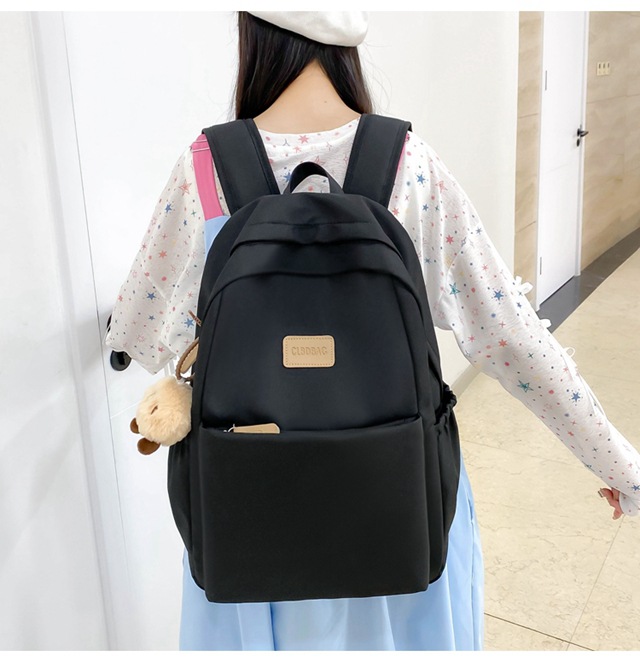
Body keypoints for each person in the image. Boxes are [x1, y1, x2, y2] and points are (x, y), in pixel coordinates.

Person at [104, 11, 639, 651]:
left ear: (251, 35)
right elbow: (511, 336)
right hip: (398, 507)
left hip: (249, 519)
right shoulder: (407, 162)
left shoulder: (205, 166)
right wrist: (620, 466)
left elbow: (140, 330)